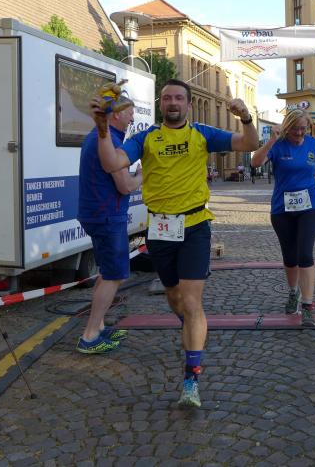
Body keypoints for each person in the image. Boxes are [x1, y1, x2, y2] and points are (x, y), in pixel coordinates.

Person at [91, 79, 258, 408]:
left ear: (188, 105)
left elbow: (248, 143)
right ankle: (192, 327)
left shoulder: (202, 134)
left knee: (192, 302)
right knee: (174, 297)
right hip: (161, 228)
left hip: (195, 226)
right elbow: (112, 163)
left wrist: (246, 118)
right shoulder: (147, 138)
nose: (173, 102)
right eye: (167, 98)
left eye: (179, 98)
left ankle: (191, 379)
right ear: (161, 104)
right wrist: (101, 127)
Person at [251, 109, 315, 327]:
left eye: (303, 128)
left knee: (305, 254)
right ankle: (293, 292)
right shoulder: (278, 144)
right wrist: (271, 140)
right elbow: (255, 162)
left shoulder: (312, 144)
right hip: (282, 209)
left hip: (310, 207)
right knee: (290, 257)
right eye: (295, 129)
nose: (300, 133)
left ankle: (308, 307)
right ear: (287, 127)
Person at [76, 97, 142, 354]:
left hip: (97, 214)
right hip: (107, 215)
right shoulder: (110, 141)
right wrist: (142, 175)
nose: (133, 118)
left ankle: (100, 326)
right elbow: (125, 186)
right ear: (115, 115)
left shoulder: (98, 136)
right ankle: (90, 335)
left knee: (107, 273)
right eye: (130, 113)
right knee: (115, 275)